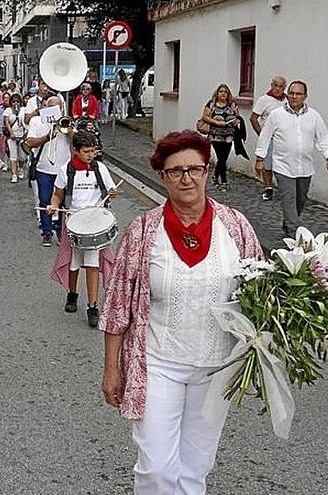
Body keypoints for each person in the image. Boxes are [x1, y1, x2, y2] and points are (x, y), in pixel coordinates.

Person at [100, 130, 263, 494]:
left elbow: (260, 293)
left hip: (217, 367)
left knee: (195, 469)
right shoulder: (143, 231)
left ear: (207, 171)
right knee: (156, 468)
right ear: (162, 177)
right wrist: (112, 369)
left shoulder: (235, 227)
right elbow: (117, 306)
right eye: (176, 171)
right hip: (158, 364)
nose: (186, 178)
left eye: (194, 169)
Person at [46, 131, 118, 326]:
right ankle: (72, 293)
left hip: (95, 222)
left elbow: (111, 192)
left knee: (93, 264)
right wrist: (53, 205)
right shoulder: (65, 170)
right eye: (86, 151)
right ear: (75, 151)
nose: (90, 155)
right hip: (73, 221)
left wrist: (112, 193)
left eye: (92, 151)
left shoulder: (100, 168)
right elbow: (58, 194)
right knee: (73, 262)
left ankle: (93, 306)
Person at [255, 80, 328, 236]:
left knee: (300, 200)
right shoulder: (276, 115)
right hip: (283, 165)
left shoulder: (314, 116)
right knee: (289, 197)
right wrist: (260, 158)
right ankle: (295, 234)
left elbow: (323, 138)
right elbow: (265, 137)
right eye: (292, 93)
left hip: (305, 167)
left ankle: (288, 223)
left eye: (298, 94)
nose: (294, 96)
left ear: (305, 96)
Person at [24, 95, 70, 247]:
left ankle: (61, 231)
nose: (55, 111)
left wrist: (67, 129)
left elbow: (78, 140)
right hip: (43, 168)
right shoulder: (36, 121)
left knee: (63, 203)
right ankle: (47, 232)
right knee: (45, 201)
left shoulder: (66, 122)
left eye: (58, 107)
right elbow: (29, 143)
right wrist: (47, 137)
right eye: (52, 108)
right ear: (46, 108)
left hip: (63, 169)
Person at [250, 75, 287, 201]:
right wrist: (262, 135)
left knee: (283, 164)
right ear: (271, 85)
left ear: (284, 88)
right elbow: (253, 118)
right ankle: (268, 188)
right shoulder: (264, 100)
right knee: (267, 165)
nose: (277, 89)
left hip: (284, 139)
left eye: (280, 86)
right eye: (275, 85)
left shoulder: (288, 100)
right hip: (270, 138)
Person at [201, 84, 240, 190]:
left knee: (224, 158)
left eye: (225, 92)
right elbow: (205, 117)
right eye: (221, 91)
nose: (223, 94)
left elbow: (237, 117)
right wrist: (217, 123)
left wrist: (236, 121)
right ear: (217, 93)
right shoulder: (211, 104)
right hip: (216, 135)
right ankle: (224, 181)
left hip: (229, 135)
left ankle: (215, 176)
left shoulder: (232, 105)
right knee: (221, 157)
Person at [3, 93, 26, 183]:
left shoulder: (24, 110)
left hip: (22, 136)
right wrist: (11, 133)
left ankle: (20, 168)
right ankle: (14, 174)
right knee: (13, 156)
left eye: (17, 101)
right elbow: (7, 122)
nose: (15, 103)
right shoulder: (8, 110)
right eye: (13, 101)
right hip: (12, 137)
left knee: (22, 156)